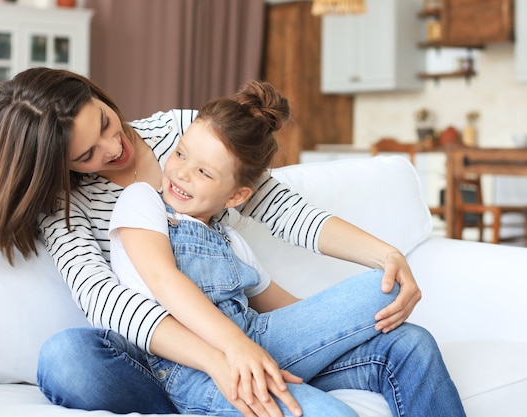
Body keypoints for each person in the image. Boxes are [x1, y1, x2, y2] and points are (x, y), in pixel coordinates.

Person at [0, 67, 464, 417]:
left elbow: (282, 212)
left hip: (248, 340)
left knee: (408, 342)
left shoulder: (182, 135)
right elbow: (111, 301)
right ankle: (216, 395)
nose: (113, 147)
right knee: (66, 358)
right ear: (59, 165)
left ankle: (248, 386)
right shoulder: (76, 206)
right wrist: (223, 357)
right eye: (86, 155)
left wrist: (386, 254)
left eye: (104, 122)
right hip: (163, 358)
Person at [107, 80, 466, 416]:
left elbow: (293, 316)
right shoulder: (143, 201)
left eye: (204, 172)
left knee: (409, 337)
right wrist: (237, 346)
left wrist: (348, 328)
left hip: (261, 347)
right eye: (181, 154)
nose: (182, 173)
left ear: (236, 196)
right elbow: (162, 280)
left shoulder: (231, 240)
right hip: (196, 366)